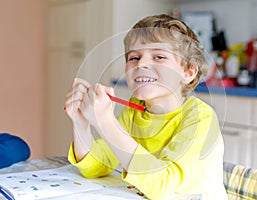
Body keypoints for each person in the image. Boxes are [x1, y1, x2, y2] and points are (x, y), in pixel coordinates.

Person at [64, 14, 227, 199]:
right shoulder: (135, 109)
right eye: (134, 57)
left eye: (158, 56)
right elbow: (95, 166)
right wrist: (80, 123)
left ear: (188, 72)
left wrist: (105, 122)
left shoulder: (201, 118)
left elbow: (164, 185)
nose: (141, 64)